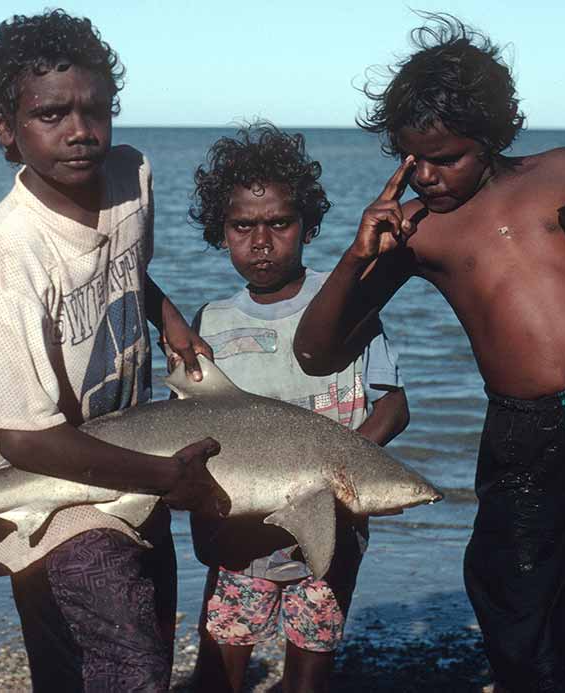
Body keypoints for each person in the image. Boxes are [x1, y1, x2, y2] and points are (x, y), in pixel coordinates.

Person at [294, 15, 565, 693]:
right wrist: (356, 252)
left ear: (492, 137)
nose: (426, 175)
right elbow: (315, 348)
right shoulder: (415, 233)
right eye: (410, 158)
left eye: (446, 157)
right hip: (524, 428)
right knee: (513, 588)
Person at [0, 10, 227, 692]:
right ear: (5, 126)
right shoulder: (14, 252)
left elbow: (124, 268)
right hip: (48, 498)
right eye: (51, 114)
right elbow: (25, 438)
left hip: (131, 459)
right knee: (127, 668)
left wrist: (166, 312)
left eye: (96, 109)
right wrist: (165, 478)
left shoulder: (130, 175)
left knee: (144, 644)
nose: (80, 131)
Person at [185, 124, 409, 692]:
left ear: (307, 226)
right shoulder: (211, 323)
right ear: (221, 233)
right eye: (242, 227)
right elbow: (183, 426)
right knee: (221, 666)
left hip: (330, 526)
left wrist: (340, 466)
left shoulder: (348, 306)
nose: (261, 242)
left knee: (310, 671)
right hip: (242, 528)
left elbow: (394, 405)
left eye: (279, 224)